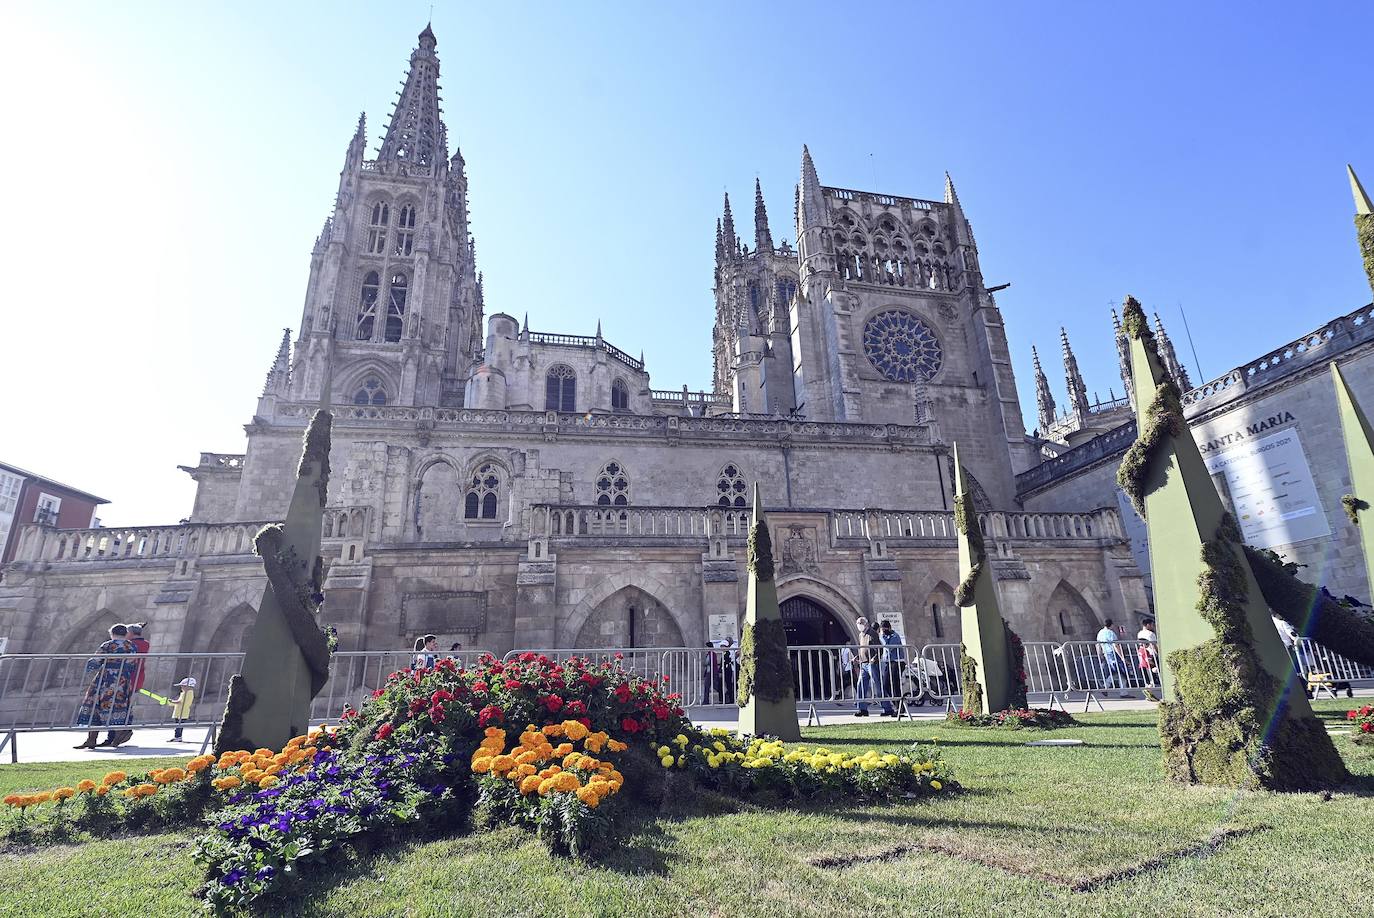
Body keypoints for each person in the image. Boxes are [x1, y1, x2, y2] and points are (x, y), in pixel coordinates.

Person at [72, 624, 138, 749]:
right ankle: (117, 738)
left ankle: (91, 739)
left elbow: (96, 661)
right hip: (122, 681)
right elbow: (132, 663)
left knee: (95, 706)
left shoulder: (108, 645)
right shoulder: (131, 646)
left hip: (105, 680)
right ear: (125, 633)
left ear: (112, 633)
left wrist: (89, 668)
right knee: (120, 706)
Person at [107, 622, 150, 747]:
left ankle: (119, 734)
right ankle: (115, 736)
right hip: (134, 679)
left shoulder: (132, 645)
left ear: (129, 633)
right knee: (123, 707)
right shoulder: (144, 644)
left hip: (126, 679)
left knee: (118, 707)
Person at [855, 617, 894, 717]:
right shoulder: (860, 635)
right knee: (860, 685)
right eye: (858, 623)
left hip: (871, 664)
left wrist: (875, 658)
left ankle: (887, 708)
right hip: (863, 664)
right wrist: (857, 657)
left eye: (861, 623)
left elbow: (879, 648)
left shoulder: (872, 633)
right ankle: (862, 709)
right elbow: (862, 649)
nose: (859, 624)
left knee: (878, 685)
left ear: (866, 623)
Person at [879, 620, 906, 712]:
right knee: (886, 685)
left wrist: (882, 636)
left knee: (895, 685)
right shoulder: (885, 636)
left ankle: (900, 708)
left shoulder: (895, 636)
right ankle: (897, 705)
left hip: (897, 662)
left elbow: (888, 646)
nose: (884, 631)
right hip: (888, 662)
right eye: (882, 630)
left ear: (889, 628)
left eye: (885, 629)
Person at [1096, 619, 1127, 695]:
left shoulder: (1100, 633)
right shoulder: (1111, 633)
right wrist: (1122, 657)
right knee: (1122, 672)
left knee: (1115, 672)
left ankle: (1105, 686)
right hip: (1113, 653)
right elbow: (1115, 645)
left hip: (1106, 653)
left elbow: (1098, 645)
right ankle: (1123, 692)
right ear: (1111, 625)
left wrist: (1099, 655)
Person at [167, 676, 197, 742]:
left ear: (188, 686)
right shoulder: (186, 693)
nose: (181, 687)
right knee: (178, 725)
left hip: (182, 712)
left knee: (179, 725)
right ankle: (177, 736)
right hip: (181, 712)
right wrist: (171, 703)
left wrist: (171, 701)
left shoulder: (187, 693)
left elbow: (180, 702)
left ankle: (178, 737)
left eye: (183, 686)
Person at [1136, 618, 1159, 686]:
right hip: (1151, 654)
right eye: (1152, 625)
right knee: (1154, 668)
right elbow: (1154, 645)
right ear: (1148, 625)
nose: (1153, 626)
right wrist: (1158, 652)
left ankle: (1150, 683)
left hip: (1142, 654)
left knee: (1147, 670)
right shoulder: (1151, 634)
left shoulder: (1139, 633)